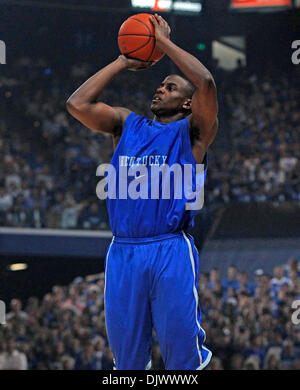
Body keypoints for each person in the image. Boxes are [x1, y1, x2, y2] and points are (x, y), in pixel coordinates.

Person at [66, 14, 218, 370]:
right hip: (123, 250)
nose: (160, 88)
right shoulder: (125, 124)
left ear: (186, 104)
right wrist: (122, 60)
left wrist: (162, 43)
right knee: (128, 364)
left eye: (170, 87)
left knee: (183, 360)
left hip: (169, 248)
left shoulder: (193, 134)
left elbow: (206, 83)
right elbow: (77, 104)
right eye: (160, 85)